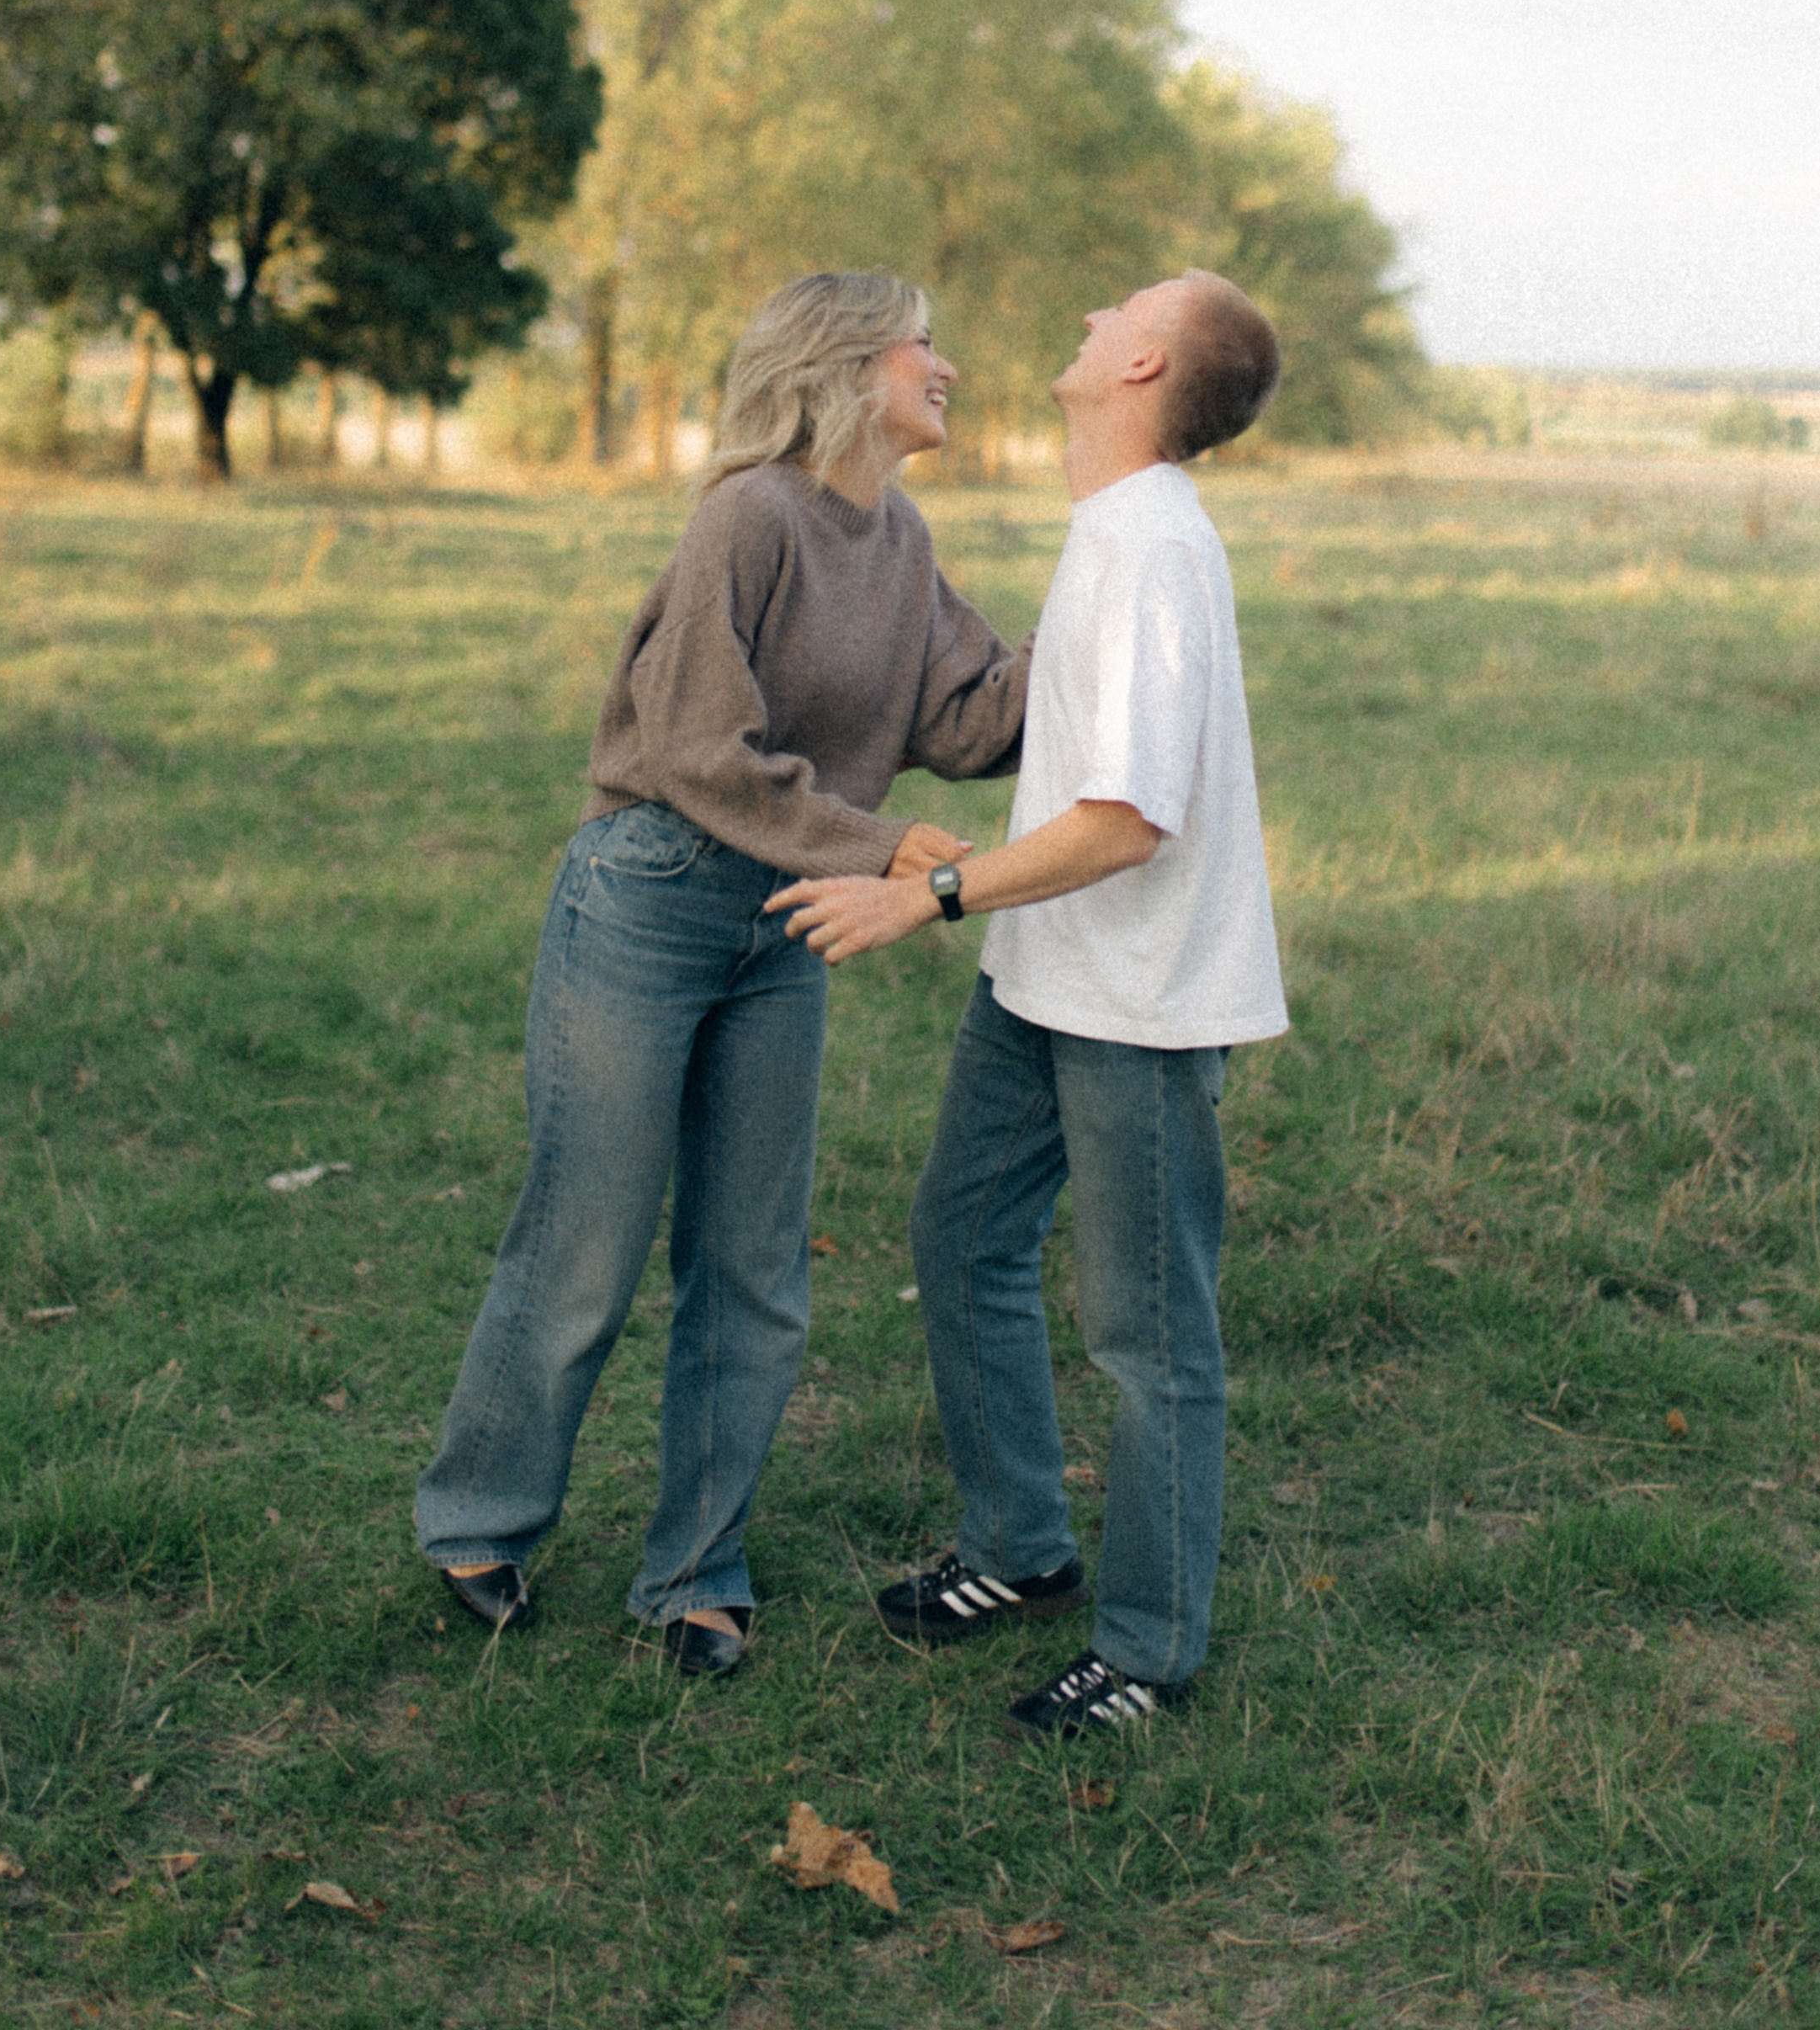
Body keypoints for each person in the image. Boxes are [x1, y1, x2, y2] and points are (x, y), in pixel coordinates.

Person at [417, 270, 1032, 1676]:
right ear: (848, 365)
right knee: (588, 1237)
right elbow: (698, 749)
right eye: (923, 344)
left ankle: (694, 1570)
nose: (948, 367)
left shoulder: (901, 535)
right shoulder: (749, 517)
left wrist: (1119, 621)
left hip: (786, 921)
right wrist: (881, 848)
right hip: (652, 892)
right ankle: (479, 1514)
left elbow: (968, 710)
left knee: (754, 1264)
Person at [768, 268, 1285, 1738]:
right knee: (966, 1232)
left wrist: (923, 893)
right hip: (1047, 975)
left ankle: (1148, 1652)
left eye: (1122, 304)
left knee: (1148, 1335)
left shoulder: (1154, 552)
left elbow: (1129, 819)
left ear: (1148, 365)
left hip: (1142, 1000)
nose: (1089, 306)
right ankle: (1019, 1552)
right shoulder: (1110, 532)